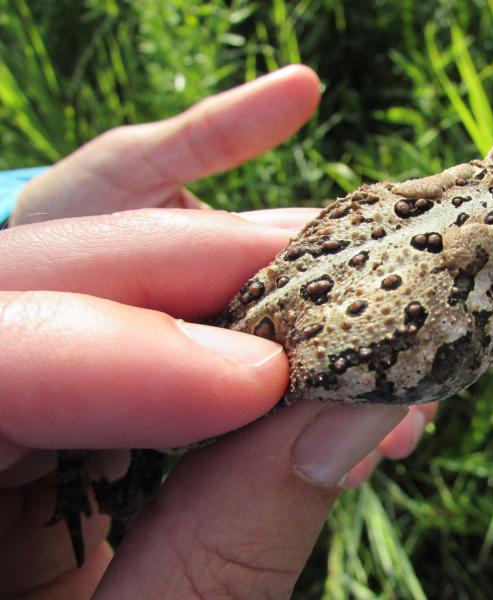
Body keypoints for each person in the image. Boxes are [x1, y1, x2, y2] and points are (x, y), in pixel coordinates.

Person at [0, 65, 436, 598]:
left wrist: (18, 217)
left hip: (254, 339)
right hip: (200, 394)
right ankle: (84, 491)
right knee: (130, 466)